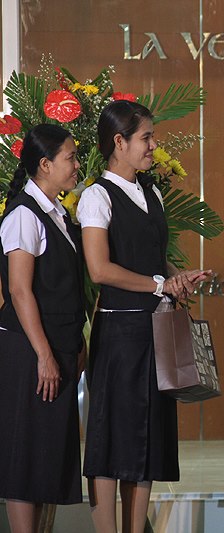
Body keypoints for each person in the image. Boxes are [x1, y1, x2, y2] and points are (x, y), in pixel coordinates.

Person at [78, 100, 211, 533]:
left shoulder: (151, 191)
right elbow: (100, 270)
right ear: (119, 142)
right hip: (119, 334)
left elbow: (155, 260)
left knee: (147, 435)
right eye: (146, 138)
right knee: (112, 435)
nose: (154, 146)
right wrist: (159, 284)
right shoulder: (96, 197)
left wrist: (178, 278)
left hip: (153, 330)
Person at [0, 124, 85, 532]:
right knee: (26, 455)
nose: (77, 165)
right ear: (45, 165)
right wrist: (45, 355)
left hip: (53, 350)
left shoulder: (60, 214)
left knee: (47, 456)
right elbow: (19, 291)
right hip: (28, 352)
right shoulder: (23, 214)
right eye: (70, 157)